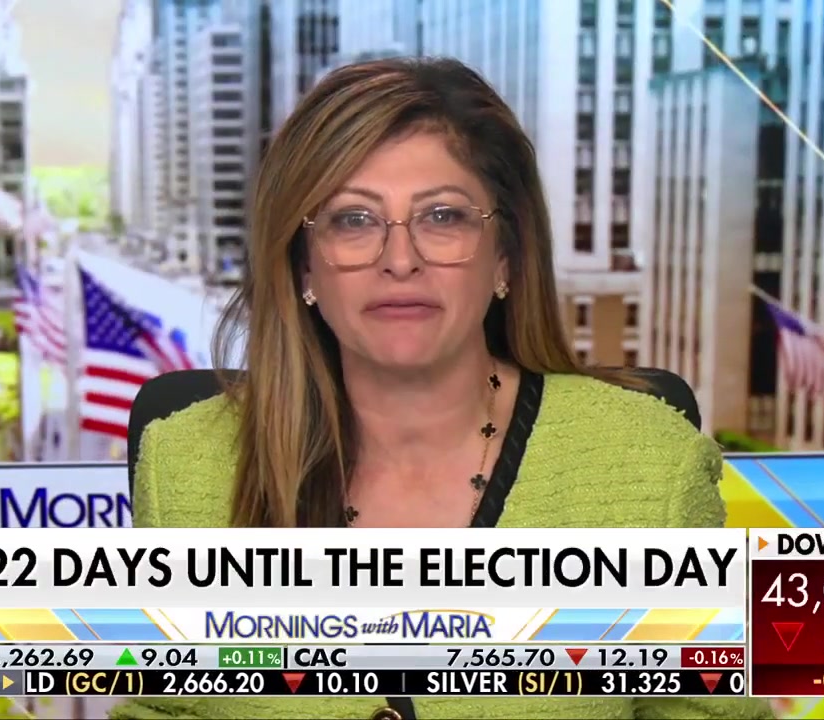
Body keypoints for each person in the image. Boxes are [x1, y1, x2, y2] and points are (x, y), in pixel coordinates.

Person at [113, 58, 773, 720]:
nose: (400, 261)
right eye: (353, 220)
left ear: (505, 257)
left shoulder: (650, 467)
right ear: (304, 267)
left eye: (443, 216)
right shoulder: (186, 467)